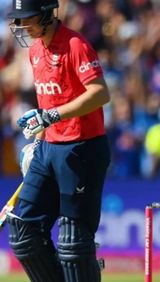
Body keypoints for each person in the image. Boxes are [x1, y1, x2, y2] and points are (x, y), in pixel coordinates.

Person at [6, 0, 111, 281]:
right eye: (19, 19)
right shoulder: (36, 51)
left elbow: (100, 93)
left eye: (27, 18)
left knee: (73, 245)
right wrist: (38, 142)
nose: (22, 25)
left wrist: (51, 116)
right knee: (23, 235)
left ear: (45, 14)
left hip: (82, 149)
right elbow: (48, 101)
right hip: (48, 148)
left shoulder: (75, 45)